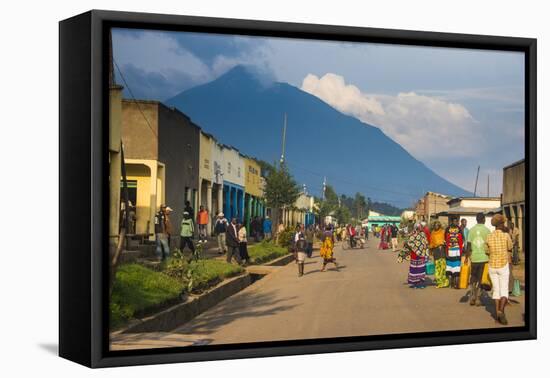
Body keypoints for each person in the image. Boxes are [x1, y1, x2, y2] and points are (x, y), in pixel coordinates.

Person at [486, 214, 513, 325]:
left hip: (492, 266)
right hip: (503, 265)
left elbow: (486, 251)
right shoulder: (506, 236)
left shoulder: (489, 236)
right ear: (501, 224)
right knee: (504, 291)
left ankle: (497, 315)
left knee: (496, 290)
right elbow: (510, 247)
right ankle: (501, 311)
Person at [465, 213, 490, 306]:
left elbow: (468, 246)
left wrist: (467, 257)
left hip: (474, 258)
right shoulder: (487, 231)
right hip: (484, 258)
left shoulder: (471, 231)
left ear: (476, 219)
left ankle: (472, 296)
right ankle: (478, 298)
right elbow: (489, 245)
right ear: (484, 219)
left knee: (473, 277)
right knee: (481, 278)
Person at [398, 223, 429, 289]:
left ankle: (420, 283)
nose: (418, 228)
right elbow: (409, 242)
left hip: (421, 255)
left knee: (421, 269)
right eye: (417, 227)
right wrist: (407, 243)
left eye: (419, 227)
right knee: (414, 269)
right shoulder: (412, 235)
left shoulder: (423, 234)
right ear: (415, 228)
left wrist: (426, 253)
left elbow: (425, 243)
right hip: (414, 255)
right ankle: (415, 284)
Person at [445, 216, 463, 289]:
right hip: (449, 251)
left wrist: (462, 250)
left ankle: (456, 283)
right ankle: (451, 283)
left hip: (457, 251)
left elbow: (462, 239)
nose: (456, 222)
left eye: (457, 221)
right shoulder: (447, 229)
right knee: (450, 267)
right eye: (455, 221)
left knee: (457, 267)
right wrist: (446, 252)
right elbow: (445, 241)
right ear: (452, 222)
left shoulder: (459, 229)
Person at [429, 221, 448, 288]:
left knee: (443, 268)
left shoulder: (442, 232)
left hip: (442, 251)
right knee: (437, 268)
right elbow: (431, 243)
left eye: (437, 225)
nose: (436, 226)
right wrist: (430, 251)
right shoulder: (432, 234)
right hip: (436, 252)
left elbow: (446, 240)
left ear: (439, 226)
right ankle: (439, 282)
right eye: (435, 225)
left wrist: (444, 244)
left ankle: (444, 282)